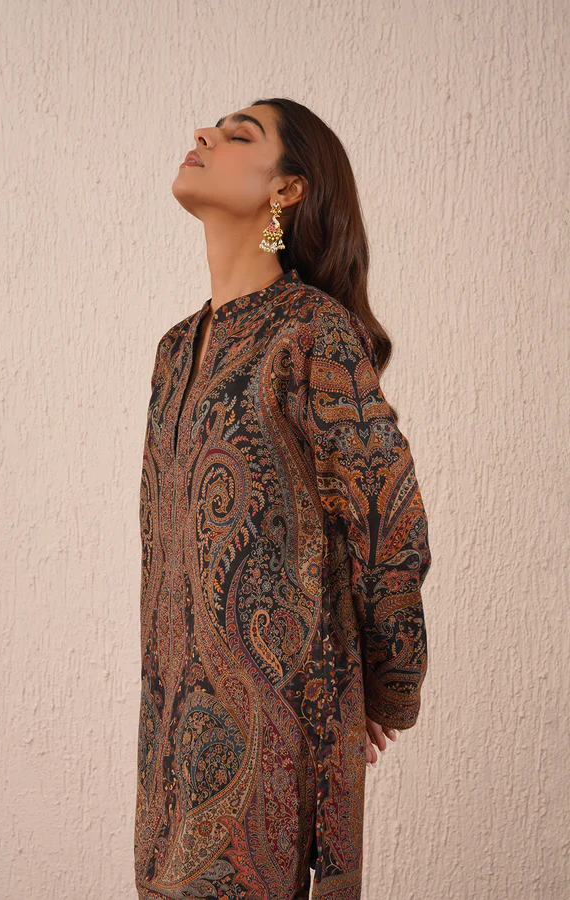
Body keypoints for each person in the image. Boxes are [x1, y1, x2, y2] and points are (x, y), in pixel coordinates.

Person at [134, 97, 432, 900]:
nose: (203, 133)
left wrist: (385, 685)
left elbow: (386, 516)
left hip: (279, 738)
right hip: (168, 749)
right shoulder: (175, 352)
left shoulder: (312, 332)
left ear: (287, 190)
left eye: (240, 134)